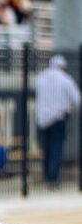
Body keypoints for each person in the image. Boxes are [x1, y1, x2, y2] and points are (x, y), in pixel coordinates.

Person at [34, 55, 81, 186]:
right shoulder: (65, 79)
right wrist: (72, 109)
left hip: (42, 119)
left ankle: (46, 175)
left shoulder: (41, 78)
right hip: (59, 118)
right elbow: (77, 99)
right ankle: (52, 179)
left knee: (46, 148)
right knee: (56, 148)